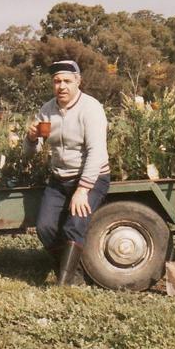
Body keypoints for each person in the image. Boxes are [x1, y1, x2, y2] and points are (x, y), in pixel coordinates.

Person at [23, 59, 110, 286]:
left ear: (78, 82)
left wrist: (82, 190)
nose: (61, 86)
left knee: (74, 226)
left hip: (91, 178)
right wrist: (31, 138)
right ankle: (75, 271)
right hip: (59, 179)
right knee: (45, 227)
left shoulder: (91, 108)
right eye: (57, 81)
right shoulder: (47, 109)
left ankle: (64, 283)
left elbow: (97, 152)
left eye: (67, 81)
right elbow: (32, 152)